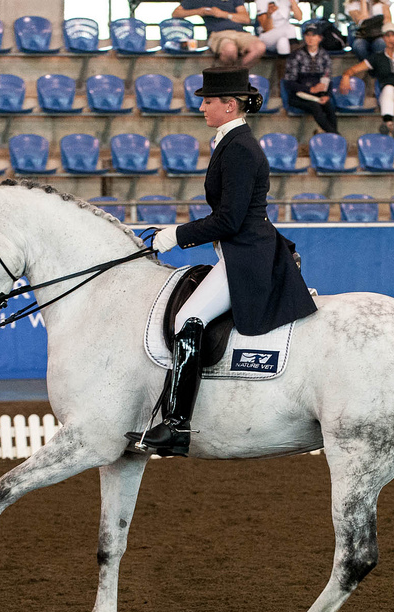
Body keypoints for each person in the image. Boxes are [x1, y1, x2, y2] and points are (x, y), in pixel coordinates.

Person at [126, 67, 318, 457]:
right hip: (240, 251)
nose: (202, 108)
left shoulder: (240, 149)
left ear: (229, 105)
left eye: (208, 101)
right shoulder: (231, 143)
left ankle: (177, 425)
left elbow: (229, 220)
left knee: (187, 319)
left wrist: (176, 236)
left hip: (248, 255)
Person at [172, 0, 267, 66]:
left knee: (260, 47)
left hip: (240, 33)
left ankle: (238, 75)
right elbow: (176, 13)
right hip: (218, 33)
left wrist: (223, 14)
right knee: (230, 50)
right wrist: (200, 11)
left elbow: (246, 19)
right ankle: (235, 77)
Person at [282, 25, 338, 134]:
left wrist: (327, 95)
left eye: (314, 35)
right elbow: (289, 82)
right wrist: (309, 89)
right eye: (308, 35)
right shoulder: (296, 55)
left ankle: (332, 137)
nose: (310, 38)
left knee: (329, 106)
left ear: (320, 38)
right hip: (298, 95)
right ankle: (335, 135)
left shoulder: (324, 55)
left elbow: (328, 78)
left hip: (318, 94)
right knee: (315, 106)